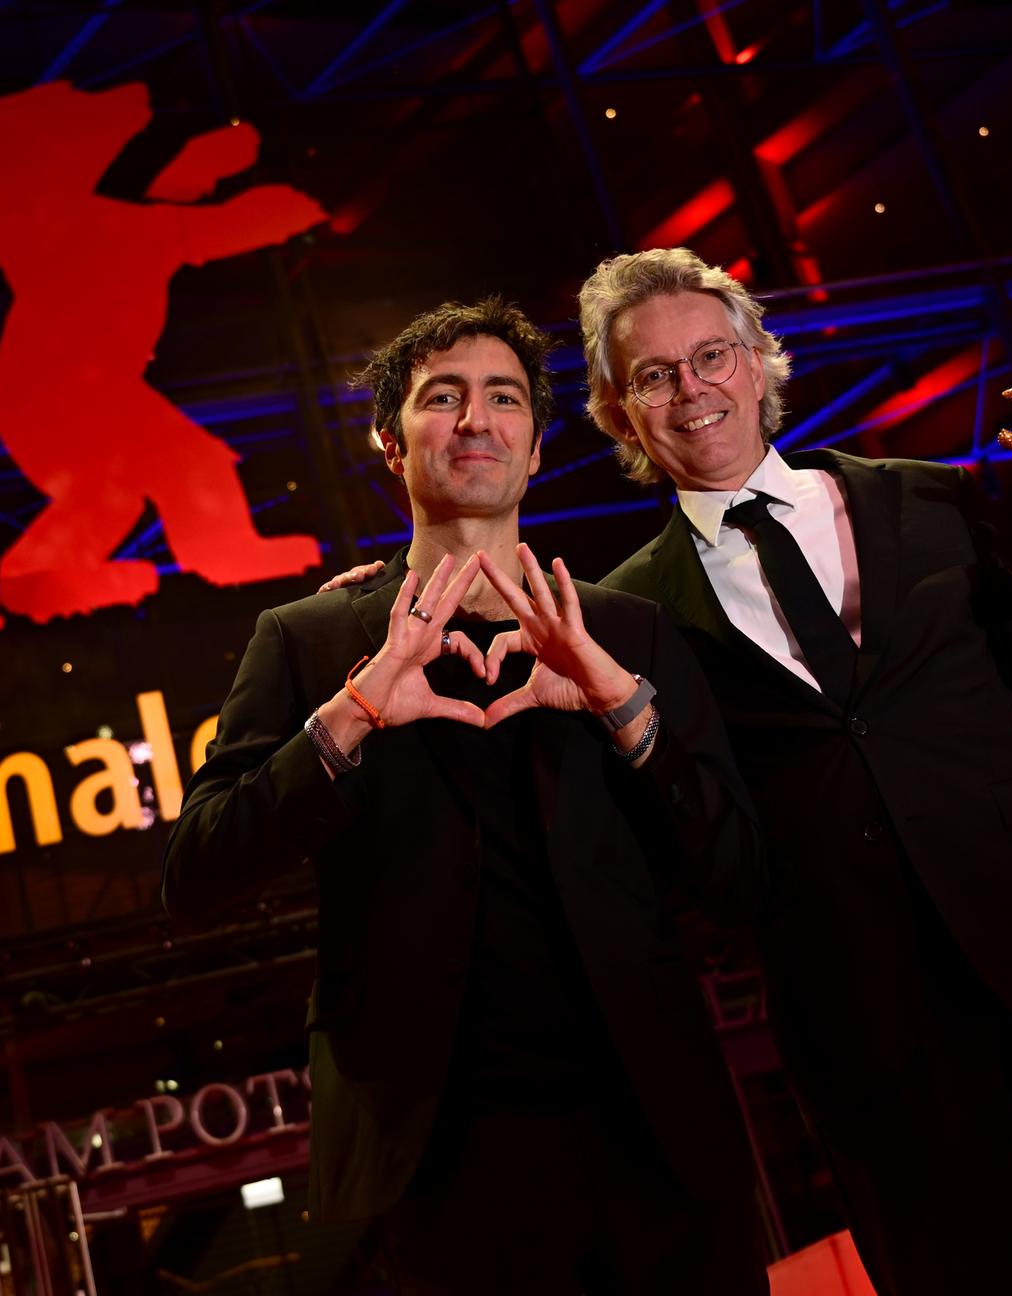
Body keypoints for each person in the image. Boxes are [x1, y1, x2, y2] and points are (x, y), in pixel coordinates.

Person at [162, 297, 768, 1295]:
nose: (476, 420)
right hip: (439, 1160)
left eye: (504, 399)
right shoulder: (308, 641)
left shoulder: (633, 633)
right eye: (442, 399)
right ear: (391, 448)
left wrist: (623, 708)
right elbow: (196, 874)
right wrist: (351, 713)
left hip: (655, 1130)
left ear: (535, 449)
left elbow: (738, 877)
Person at [579, 246, 1012, 1296]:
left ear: (761, 361)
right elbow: (693, 852)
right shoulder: (622, 618)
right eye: (653, 376)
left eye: (711, 354)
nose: (692, 390)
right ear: (618, 413)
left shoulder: (931, 501)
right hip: (871, 1032)